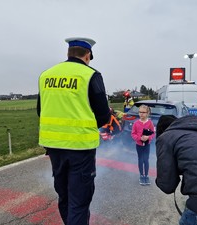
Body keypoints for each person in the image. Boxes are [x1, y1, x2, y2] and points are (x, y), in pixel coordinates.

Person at [37, 37, 111, 225]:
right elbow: (103, 115)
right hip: (81, 149)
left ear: (68, 53)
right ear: (87, 55)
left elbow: (41, 110)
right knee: (79, 201)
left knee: (65, 197)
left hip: (54, 147)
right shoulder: (91, 75)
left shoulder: (46, 75)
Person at [131, 105, 155, 185]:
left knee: (146, 160)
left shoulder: (150, 123)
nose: (141, 114)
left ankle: (146, 176)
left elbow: (153, 133)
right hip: (139, 145)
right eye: (140, 112)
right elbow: (133, 134)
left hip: (147, 145)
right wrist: (139, 138)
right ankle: (141, 175)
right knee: (140, 160)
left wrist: (148, 137)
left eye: (143, 112)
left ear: (147, 113)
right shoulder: (136, 123)